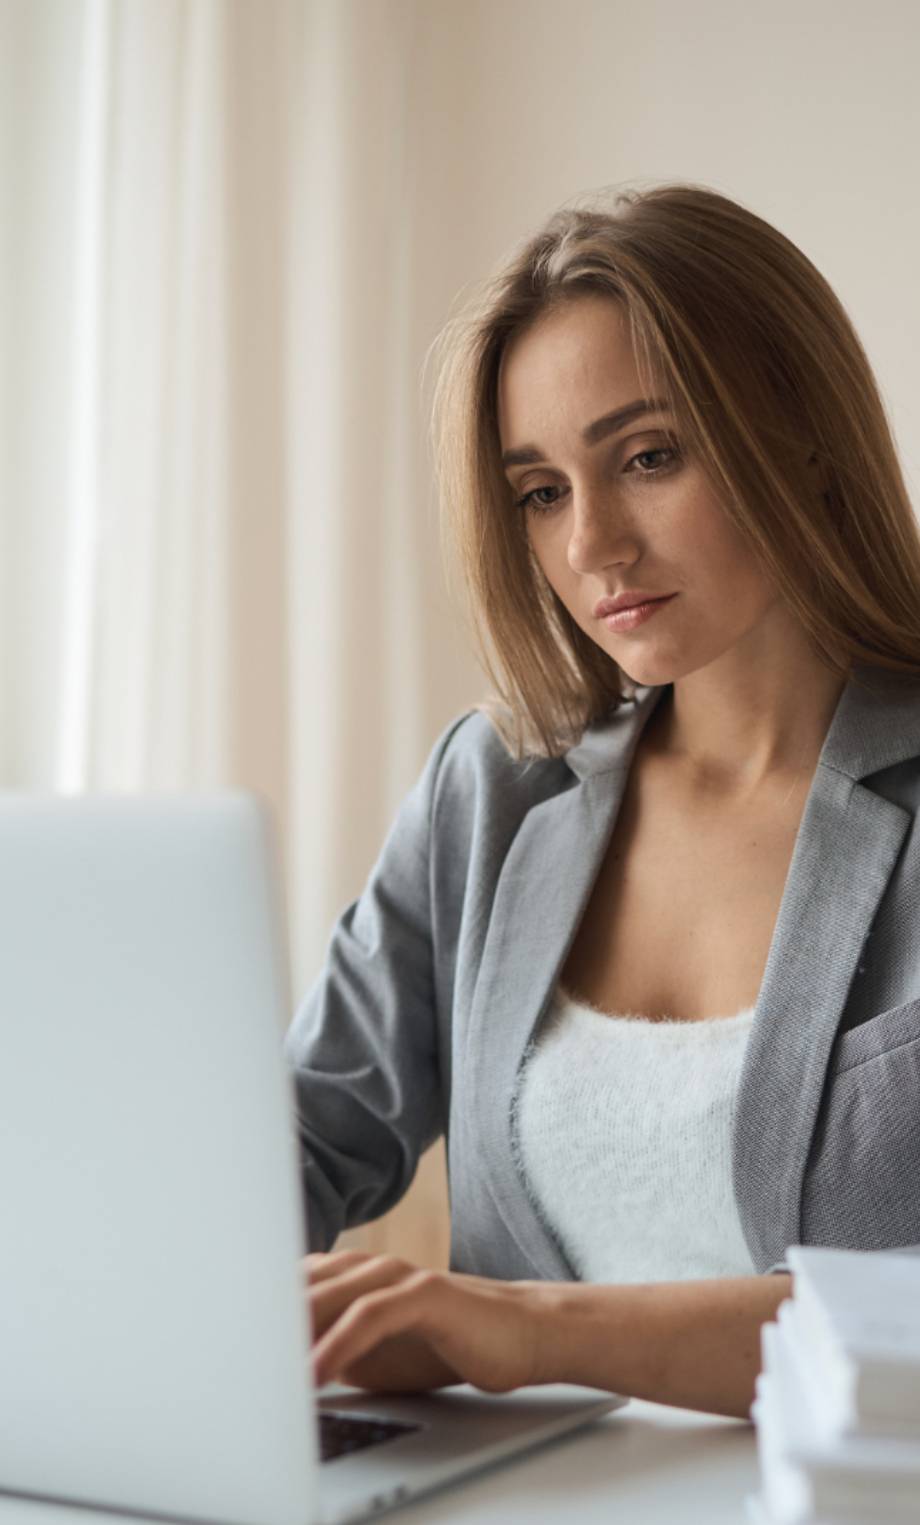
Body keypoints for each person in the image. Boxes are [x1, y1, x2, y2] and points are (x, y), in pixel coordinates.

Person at [283, 182, 920, 1421]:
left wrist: (535, 1332)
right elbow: (302, 1134)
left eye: (647, 458)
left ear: (801, 438)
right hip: (513, 1497)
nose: (591, 547)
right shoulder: (490, 789)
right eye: (541, 491)